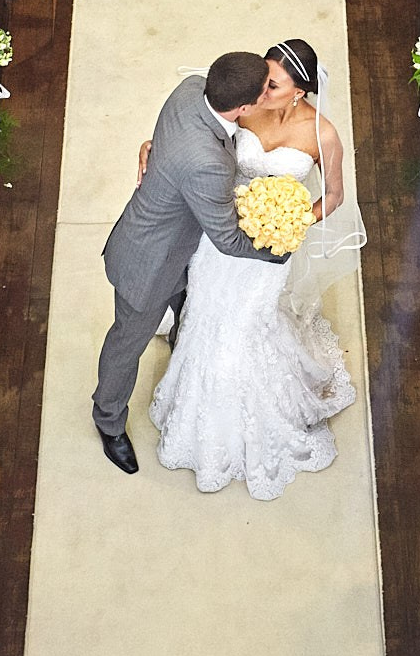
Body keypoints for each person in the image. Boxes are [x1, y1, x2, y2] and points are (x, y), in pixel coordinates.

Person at [150, 40, 358, 500]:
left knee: (244, 328)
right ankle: (194, 406)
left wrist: (289, 222)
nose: (261, 89)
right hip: (219, 237)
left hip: (269, 252)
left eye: (273, 84)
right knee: (205, 316)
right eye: (263, 78)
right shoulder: (246, 108)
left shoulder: (322, 135)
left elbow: (335, 197)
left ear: (300, 92)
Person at [92, 54, 289, 473]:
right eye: (264, 91)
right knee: (128, 343)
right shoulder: (207, 164)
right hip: (148, 261)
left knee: (189, 300)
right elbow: (229, 239)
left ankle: (184, 340)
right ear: (243, 110)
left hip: (183, 245)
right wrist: (278, 248)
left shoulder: (189, 90)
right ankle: (107, 420)